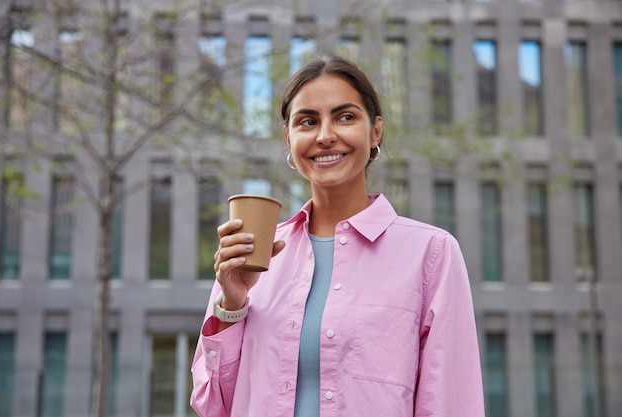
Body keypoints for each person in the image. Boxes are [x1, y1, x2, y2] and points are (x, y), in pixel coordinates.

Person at [190, 56, 484, 417]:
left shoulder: (431, 253)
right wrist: (232, 305)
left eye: (345, 117)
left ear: (375, 131)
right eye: (307, 121)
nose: (325, 135)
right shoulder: (254, 258)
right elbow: (214, 404)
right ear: (289, 139)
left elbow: (451, 403)